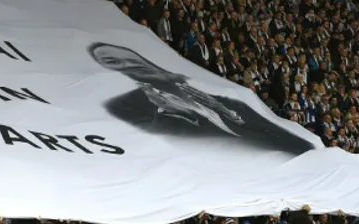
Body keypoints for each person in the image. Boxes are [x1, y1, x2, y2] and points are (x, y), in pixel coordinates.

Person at [88, 42, 316, 155]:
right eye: (112, 62)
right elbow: (152, 142)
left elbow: (282, 135)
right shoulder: (125, 105)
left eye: (126, 56)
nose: (126, 63)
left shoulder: (216, 91)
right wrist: (173, 111)